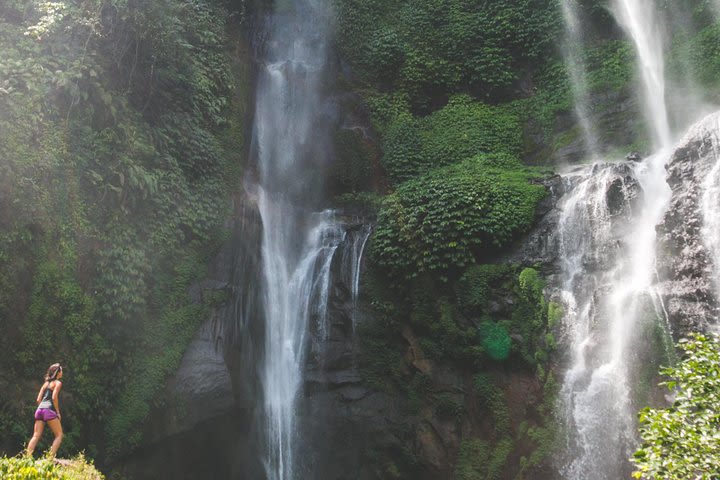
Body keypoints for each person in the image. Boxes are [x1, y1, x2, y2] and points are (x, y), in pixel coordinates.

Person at [26, 363, 64, 457]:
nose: (62, 373)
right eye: (61, 371)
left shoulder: (45, 384)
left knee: (36, 435)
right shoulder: (58, 383)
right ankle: (49, 459)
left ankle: (27, 457)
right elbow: (54, 397)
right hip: (49, 409)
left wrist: (42, 409)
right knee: (59, 435)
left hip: (39, 410)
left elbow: (38, 399)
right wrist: (57, 412)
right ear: (57, 373)